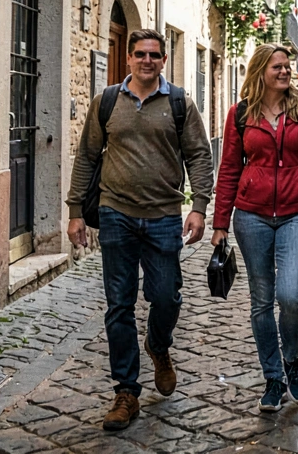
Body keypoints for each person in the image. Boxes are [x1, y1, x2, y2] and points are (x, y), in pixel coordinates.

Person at [66, 29, 215, 432]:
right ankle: (126, 392)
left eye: (154, 54)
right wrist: (76, 210)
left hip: (165, 215)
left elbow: (200, 155)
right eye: (139, 54)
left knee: (166, 296)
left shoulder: (180, 102)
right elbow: (87, 155)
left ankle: (158, 344)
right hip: (116, 214)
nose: (146, 60)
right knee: (119, 304)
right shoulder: (108, 101)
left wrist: (199, 206)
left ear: (163, 60)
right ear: (129, 59)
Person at [212, 44, 298, 412]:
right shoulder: (240, 114)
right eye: (278, 67)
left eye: (288, 66)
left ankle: (292, 358)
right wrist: (220, 222)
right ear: (260, 71)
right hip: (250, 216)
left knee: (292, 296)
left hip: (296, 213)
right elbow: (230, 170)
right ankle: (272, 377)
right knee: (261, 301)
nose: (285, 72)